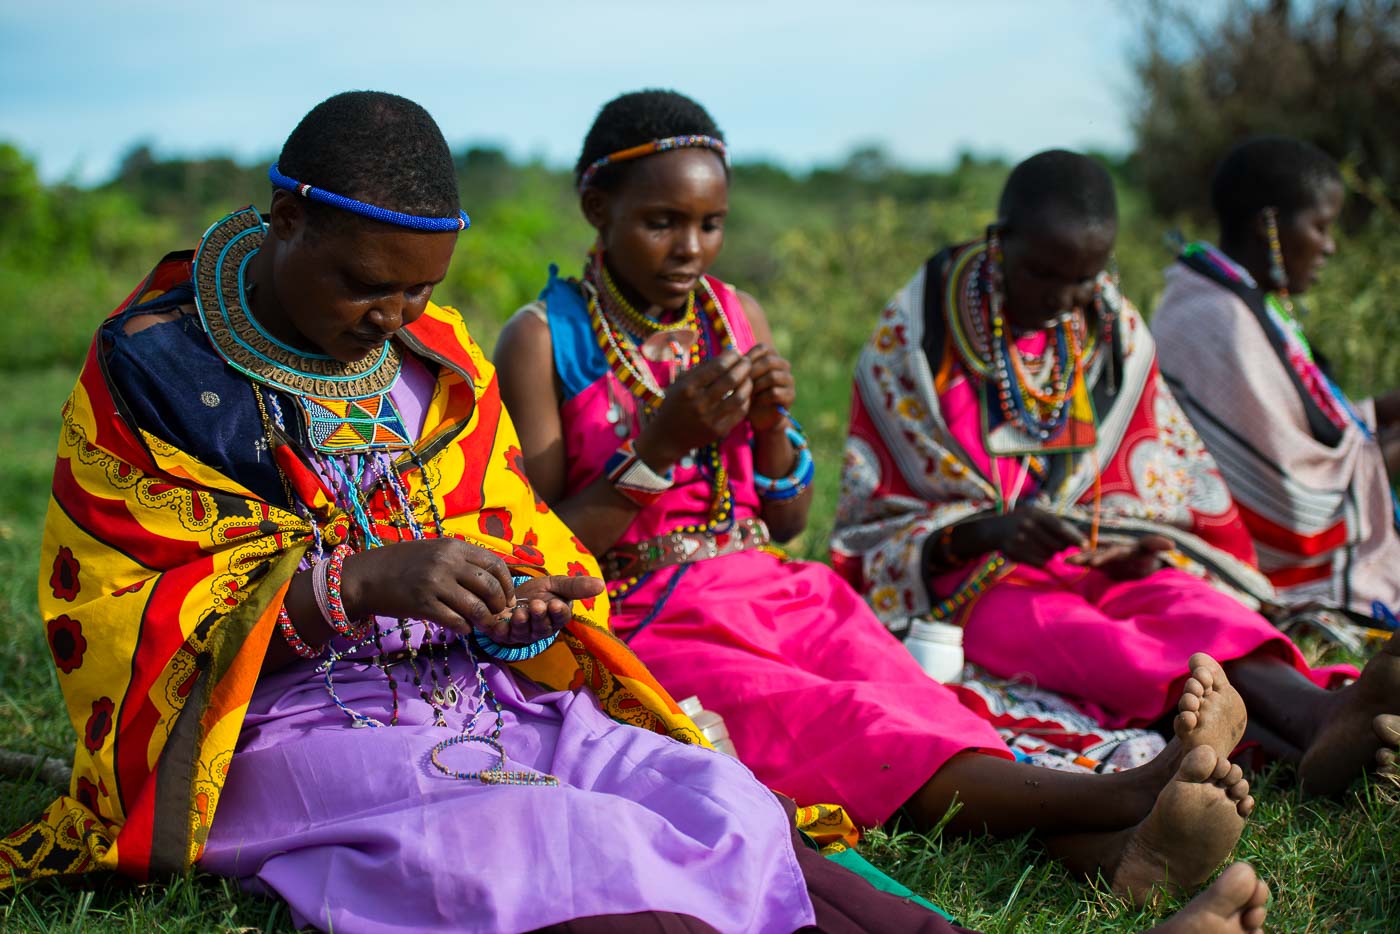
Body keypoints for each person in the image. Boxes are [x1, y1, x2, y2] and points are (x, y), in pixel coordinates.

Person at [0, 90, 1036, 934]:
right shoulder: (156, 369)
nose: (397, 320)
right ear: (288, 222)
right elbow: (115, 616)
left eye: (421, 292)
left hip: (477, 688)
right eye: (371, 289)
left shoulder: (432, 356)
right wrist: (353, 581)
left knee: (717, 800)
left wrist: (517, 598)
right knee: (567, 846)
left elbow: (512, 528)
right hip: (281, 728)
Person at [496, 90, 1265, 907]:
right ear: (594, 207)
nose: (692, 249)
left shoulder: (733, 313)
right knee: (840, 724)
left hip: (773, 585)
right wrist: (659, 446)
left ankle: (1112, 857)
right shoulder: (543, 338)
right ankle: (1120, 796)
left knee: (912, 699)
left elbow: (787, 517)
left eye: (712, 224)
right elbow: (548, 549)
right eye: (662, 224)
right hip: (646, 614)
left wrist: (768, 430)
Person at [832, 149, 1400, 799]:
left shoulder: (1108, 325)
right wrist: (989, 533)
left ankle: (1316, 712)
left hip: (1093, 557)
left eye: (1086, 277)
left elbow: (1151, 469)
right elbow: (875, 521)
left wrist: (1133, 539)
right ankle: (1299, 736)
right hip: (967, 580)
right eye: (1043, 273)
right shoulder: (917, 337)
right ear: (999, 241)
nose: (1064, 299)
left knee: (1185, 599)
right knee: (1081, 635)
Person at [1151, 136, 1400, 632]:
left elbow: (1320, 430)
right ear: (1268, 225)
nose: (1329, 246)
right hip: (1261, 550)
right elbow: (1288, 492)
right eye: (1320, 226)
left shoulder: (1231, 295)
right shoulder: (1217, 319)